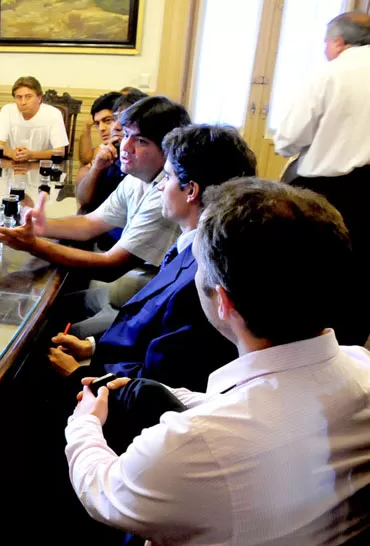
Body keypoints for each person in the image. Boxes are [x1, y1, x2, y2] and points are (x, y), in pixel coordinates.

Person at [64, 179, 370, 545]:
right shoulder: (361, 367)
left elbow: (105, 494)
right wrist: (160, 392)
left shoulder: (191, 444)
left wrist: (84, 423)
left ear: (222, 301)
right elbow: (269, 405)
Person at [48, 125, 256, 392]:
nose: (158, 187)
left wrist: (78, 376)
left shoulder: (205, 275)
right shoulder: (192, 245)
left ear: (191, 190)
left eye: (166, 178)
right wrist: (92, 346)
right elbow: (152, 329)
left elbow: (159, 381)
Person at [0, 96, 189, 286]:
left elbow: (111, 267)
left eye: (141, 141)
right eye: (126, 135)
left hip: (139, 295)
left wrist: (33, 245)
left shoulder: (166, 193)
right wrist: (42, 226)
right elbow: (90, 223)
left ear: (168, 148)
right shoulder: (136, 177)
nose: (126, 147)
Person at [274, 11, 370, 345]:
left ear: (338, 42)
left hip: (328, 191)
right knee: (361, 282)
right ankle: (353, 355)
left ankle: (307, 353)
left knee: (312, 276)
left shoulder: (330, 73)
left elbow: (288, 137)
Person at [75, 90, 147, 214]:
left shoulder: (137, 156)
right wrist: (96, 167)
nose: (102, 128)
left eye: (108, 120)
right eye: (97, 123)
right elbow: (83, 201)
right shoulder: (110, 151)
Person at [0, 76, 68, 162]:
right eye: (19, 97)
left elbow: (60, 151)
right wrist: (12, 153)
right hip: (14, 165)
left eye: (28, 97)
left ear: (39, 98)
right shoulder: (7, 110)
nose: (23, 102)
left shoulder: (54, 113)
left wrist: (31, 155)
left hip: (43, 167)